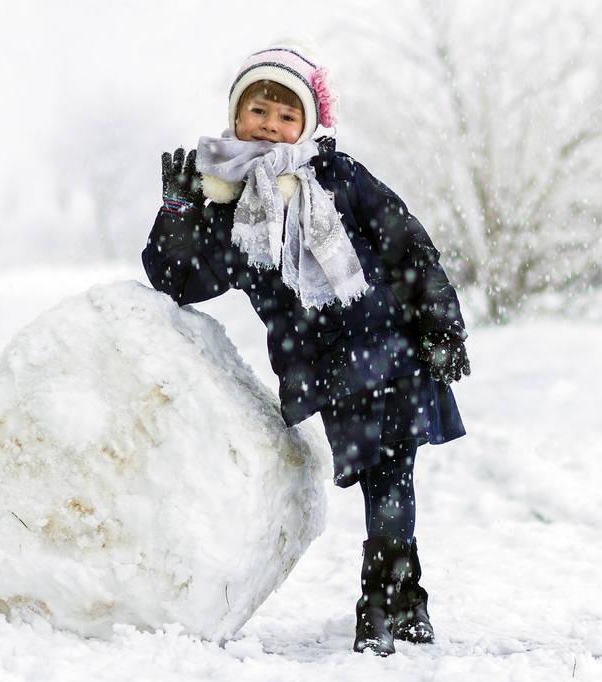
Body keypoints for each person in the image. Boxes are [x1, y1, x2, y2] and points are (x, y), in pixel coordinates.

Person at [140, 44, 470, 656]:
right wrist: (178, 210)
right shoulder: (228, 201)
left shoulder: (338, 175)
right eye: (258, 110)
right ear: (235, 115)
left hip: (391, 343)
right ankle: (405, 596)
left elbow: (406, 243)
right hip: (326, 366)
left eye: (286, 115)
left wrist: (442, 325)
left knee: (389, 471)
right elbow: (181, 281)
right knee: (385, 476)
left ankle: (385, 604)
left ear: (308, 125)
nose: (270, 124)